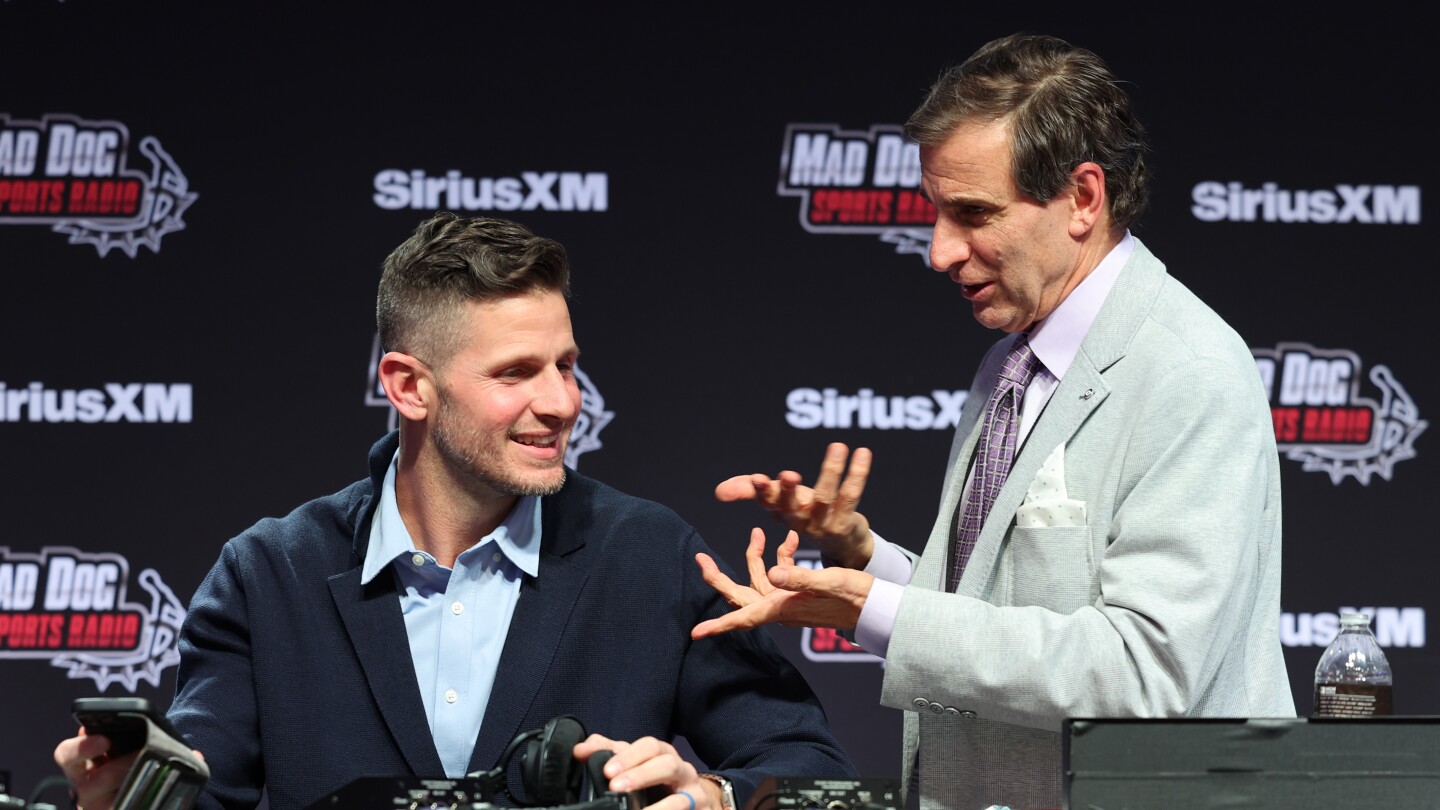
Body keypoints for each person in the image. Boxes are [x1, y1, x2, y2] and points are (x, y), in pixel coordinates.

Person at [55, 212, 857, 810]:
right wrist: (124, 795)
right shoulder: (269, 574)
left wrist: (713, 795)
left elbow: (816, 776)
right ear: (409, 386)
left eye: (566, 365)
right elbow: (198, 785)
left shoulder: (649, 556)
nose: (562, 402)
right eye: (516, 373)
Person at [693, 32, 1294, 810]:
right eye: (936, 213)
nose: (939, 251)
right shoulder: (1010, 364)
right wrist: (867, 564)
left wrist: (878, 611)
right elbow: (994, 615)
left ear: (1083, 198)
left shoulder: (1190, 371)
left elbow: (1145, 674)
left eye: (973, 213)